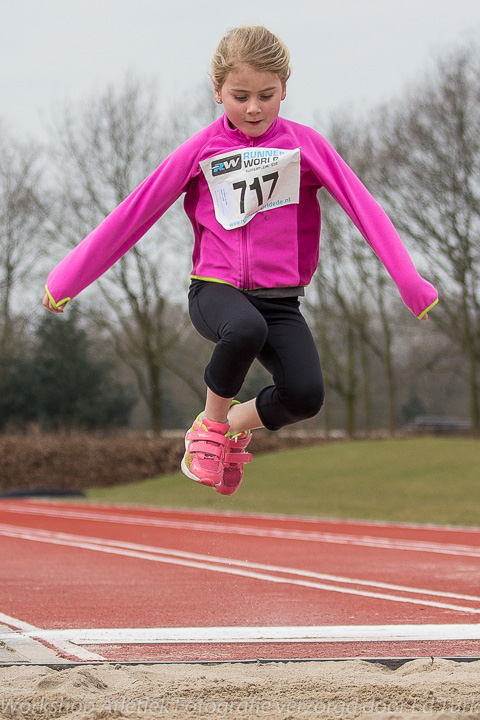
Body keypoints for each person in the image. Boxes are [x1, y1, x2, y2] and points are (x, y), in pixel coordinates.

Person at [43, 25, 438, 497]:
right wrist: (68, 278)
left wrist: (408, 280)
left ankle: (231, 427)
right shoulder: (201, 150)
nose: (253, 108)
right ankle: (207, 433)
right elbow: (136, 211)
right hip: (215, 290)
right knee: (245, 329)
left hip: (280, 299)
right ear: (218, 91)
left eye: (267, 96)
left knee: (305, 395)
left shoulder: (304, 146)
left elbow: (363, 207)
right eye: (240, 95)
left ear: (284, 89)